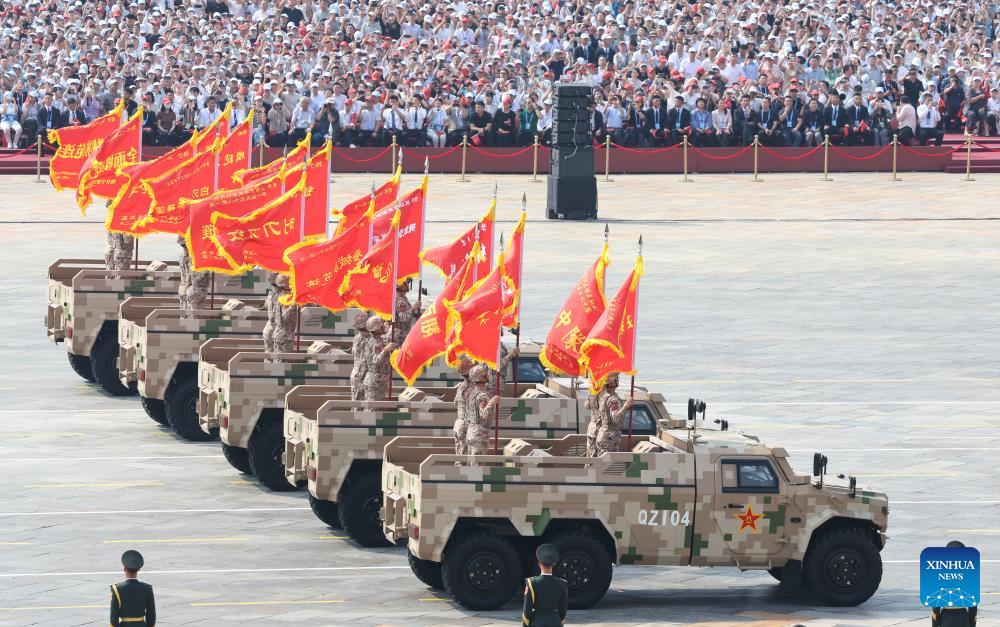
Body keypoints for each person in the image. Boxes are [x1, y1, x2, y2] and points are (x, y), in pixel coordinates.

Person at [930, 541, 977, 627]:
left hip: (946, 618)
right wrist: (972, 623)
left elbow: (936, 606)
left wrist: (935, 624)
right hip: (963, 618)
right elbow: (973, 606)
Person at [522, 544, 568, 627]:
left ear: (539, 563)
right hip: (555, 623)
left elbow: (527, 611)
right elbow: (563, 610)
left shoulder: (531, 583)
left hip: (537, 623)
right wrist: (559, 622)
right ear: (554, 564)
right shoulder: (562, 584)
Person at [591, 372, 634, 456]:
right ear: (610, 381)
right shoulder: (612, 399)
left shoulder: (603, 395)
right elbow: (615, 419)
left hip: (603, 435)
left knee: (602, 463)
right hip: (609, 439)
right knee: (608, 464)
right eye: (616, 378)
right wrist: (626, 406)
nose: (618, 380)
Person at [110, 550, 155, 626]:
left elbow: (113, 618)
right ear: (138, 569)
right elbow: (151, 616)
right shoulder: (147, 588)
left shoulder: (116, 589)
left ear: (124, 569)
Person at [464, 364, 499, 456]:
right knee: (478, 464)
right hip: (479, 434)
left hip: (471, 431)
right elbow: (483, 414)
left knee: (472, 463)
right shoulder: (482, 395)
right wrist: (492, 402)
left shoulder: (472, 393)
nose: (488, 375)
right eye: (486, 374)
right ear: (481, 377)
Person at [362, 316, 395, 402]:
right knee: (373, 408)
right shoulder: (376, 343)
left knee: (375, 408)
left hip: (377, 381)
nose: (385, 325)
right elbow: (376, 361)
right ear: (378, 329)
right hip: (376, 382)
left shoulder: (375, 339)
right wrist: (385, 350)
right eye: (382, 325)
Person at [453, 357, 473, 455]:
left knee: (459, 453)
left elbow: (455, 403)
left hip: (459, 423)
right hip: (468, 424)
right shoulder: (475, 388)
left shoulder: (460, 386)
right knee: (465, 456)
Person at [349, 312, 371, 402]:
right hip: (362, 375)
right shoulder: (367, 339)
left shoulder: (357, 337)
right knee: (361, 405)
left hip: (357, 374)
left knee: (357, 403)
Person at [392, 279, 421, 344]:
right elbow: (403, 317)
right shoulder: (399, 301)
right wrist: (413, 308)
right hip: (401, 334)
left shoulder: (404, 298)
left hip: (405, 332)